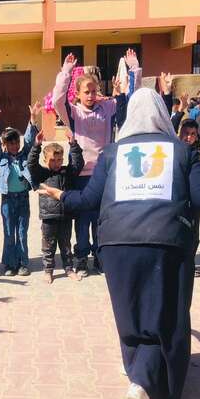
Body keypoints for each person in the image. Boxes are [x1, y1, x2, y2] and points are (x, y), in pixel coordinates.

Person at [38, 88, 200, 399]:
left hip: (116, 246)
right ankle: (150, 387)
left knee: (131, 314)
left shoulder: (112, 153)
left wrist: (62, 196)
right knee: (167, 317)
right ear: (162, 114)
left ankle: (138, 371)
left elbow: (88, 200)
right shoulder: (181, 151)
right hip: (166, 243)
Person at [51, 50, 138, 278]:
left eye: (93, 91)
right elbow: (57, 100)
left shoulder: (107, 108)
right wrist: (66, 73)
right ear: (78, 94)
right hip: (80, 176)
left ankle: (101, 259)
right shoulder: (73, 113)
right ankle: (81, 261)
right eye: (86, 92)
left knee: (102, 221)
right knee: (82, 223)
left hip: (103, 174)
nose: (90, 95)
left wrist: (134, 69)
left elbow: (131, 101)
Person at [0, 102, 40, 276]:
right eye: (10, 144)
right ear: (5, 145)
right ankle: (10, 264)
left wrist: (32, 119)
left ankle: (23, 263)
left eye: (16, 142)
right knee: (9, 233)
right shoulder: (0, 159)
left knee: (22, 232)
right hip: (8, 200)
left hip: (23, 199)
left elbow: (31, 142)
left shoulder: (24, 155)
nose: (15, 146)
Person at [28, 129, 84, 284]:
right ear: (45, 160)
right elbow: (31, 164)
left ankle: (69, 269)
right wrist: (36, 146)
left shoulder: (67, 172)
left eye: (59, 159)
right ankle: (48, 271)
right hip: (48, 217)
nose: (57, 163)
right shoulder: (42, 174)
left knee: (66, 245)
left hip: (66, 215)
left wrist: (73, 144)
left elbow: (78, 163)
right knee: (48, 245)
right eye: (53, 160)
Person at [178, 119, 200, 277]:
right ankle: (178, 262)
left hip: (194, 197)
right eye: (185, 133)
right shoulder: (173, 147)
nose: (189, 137)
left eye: (192, 134)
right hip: (177, 197)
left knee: (194, 232)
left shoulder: (199, 148)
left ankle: (190, 262)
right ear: (179, 133)